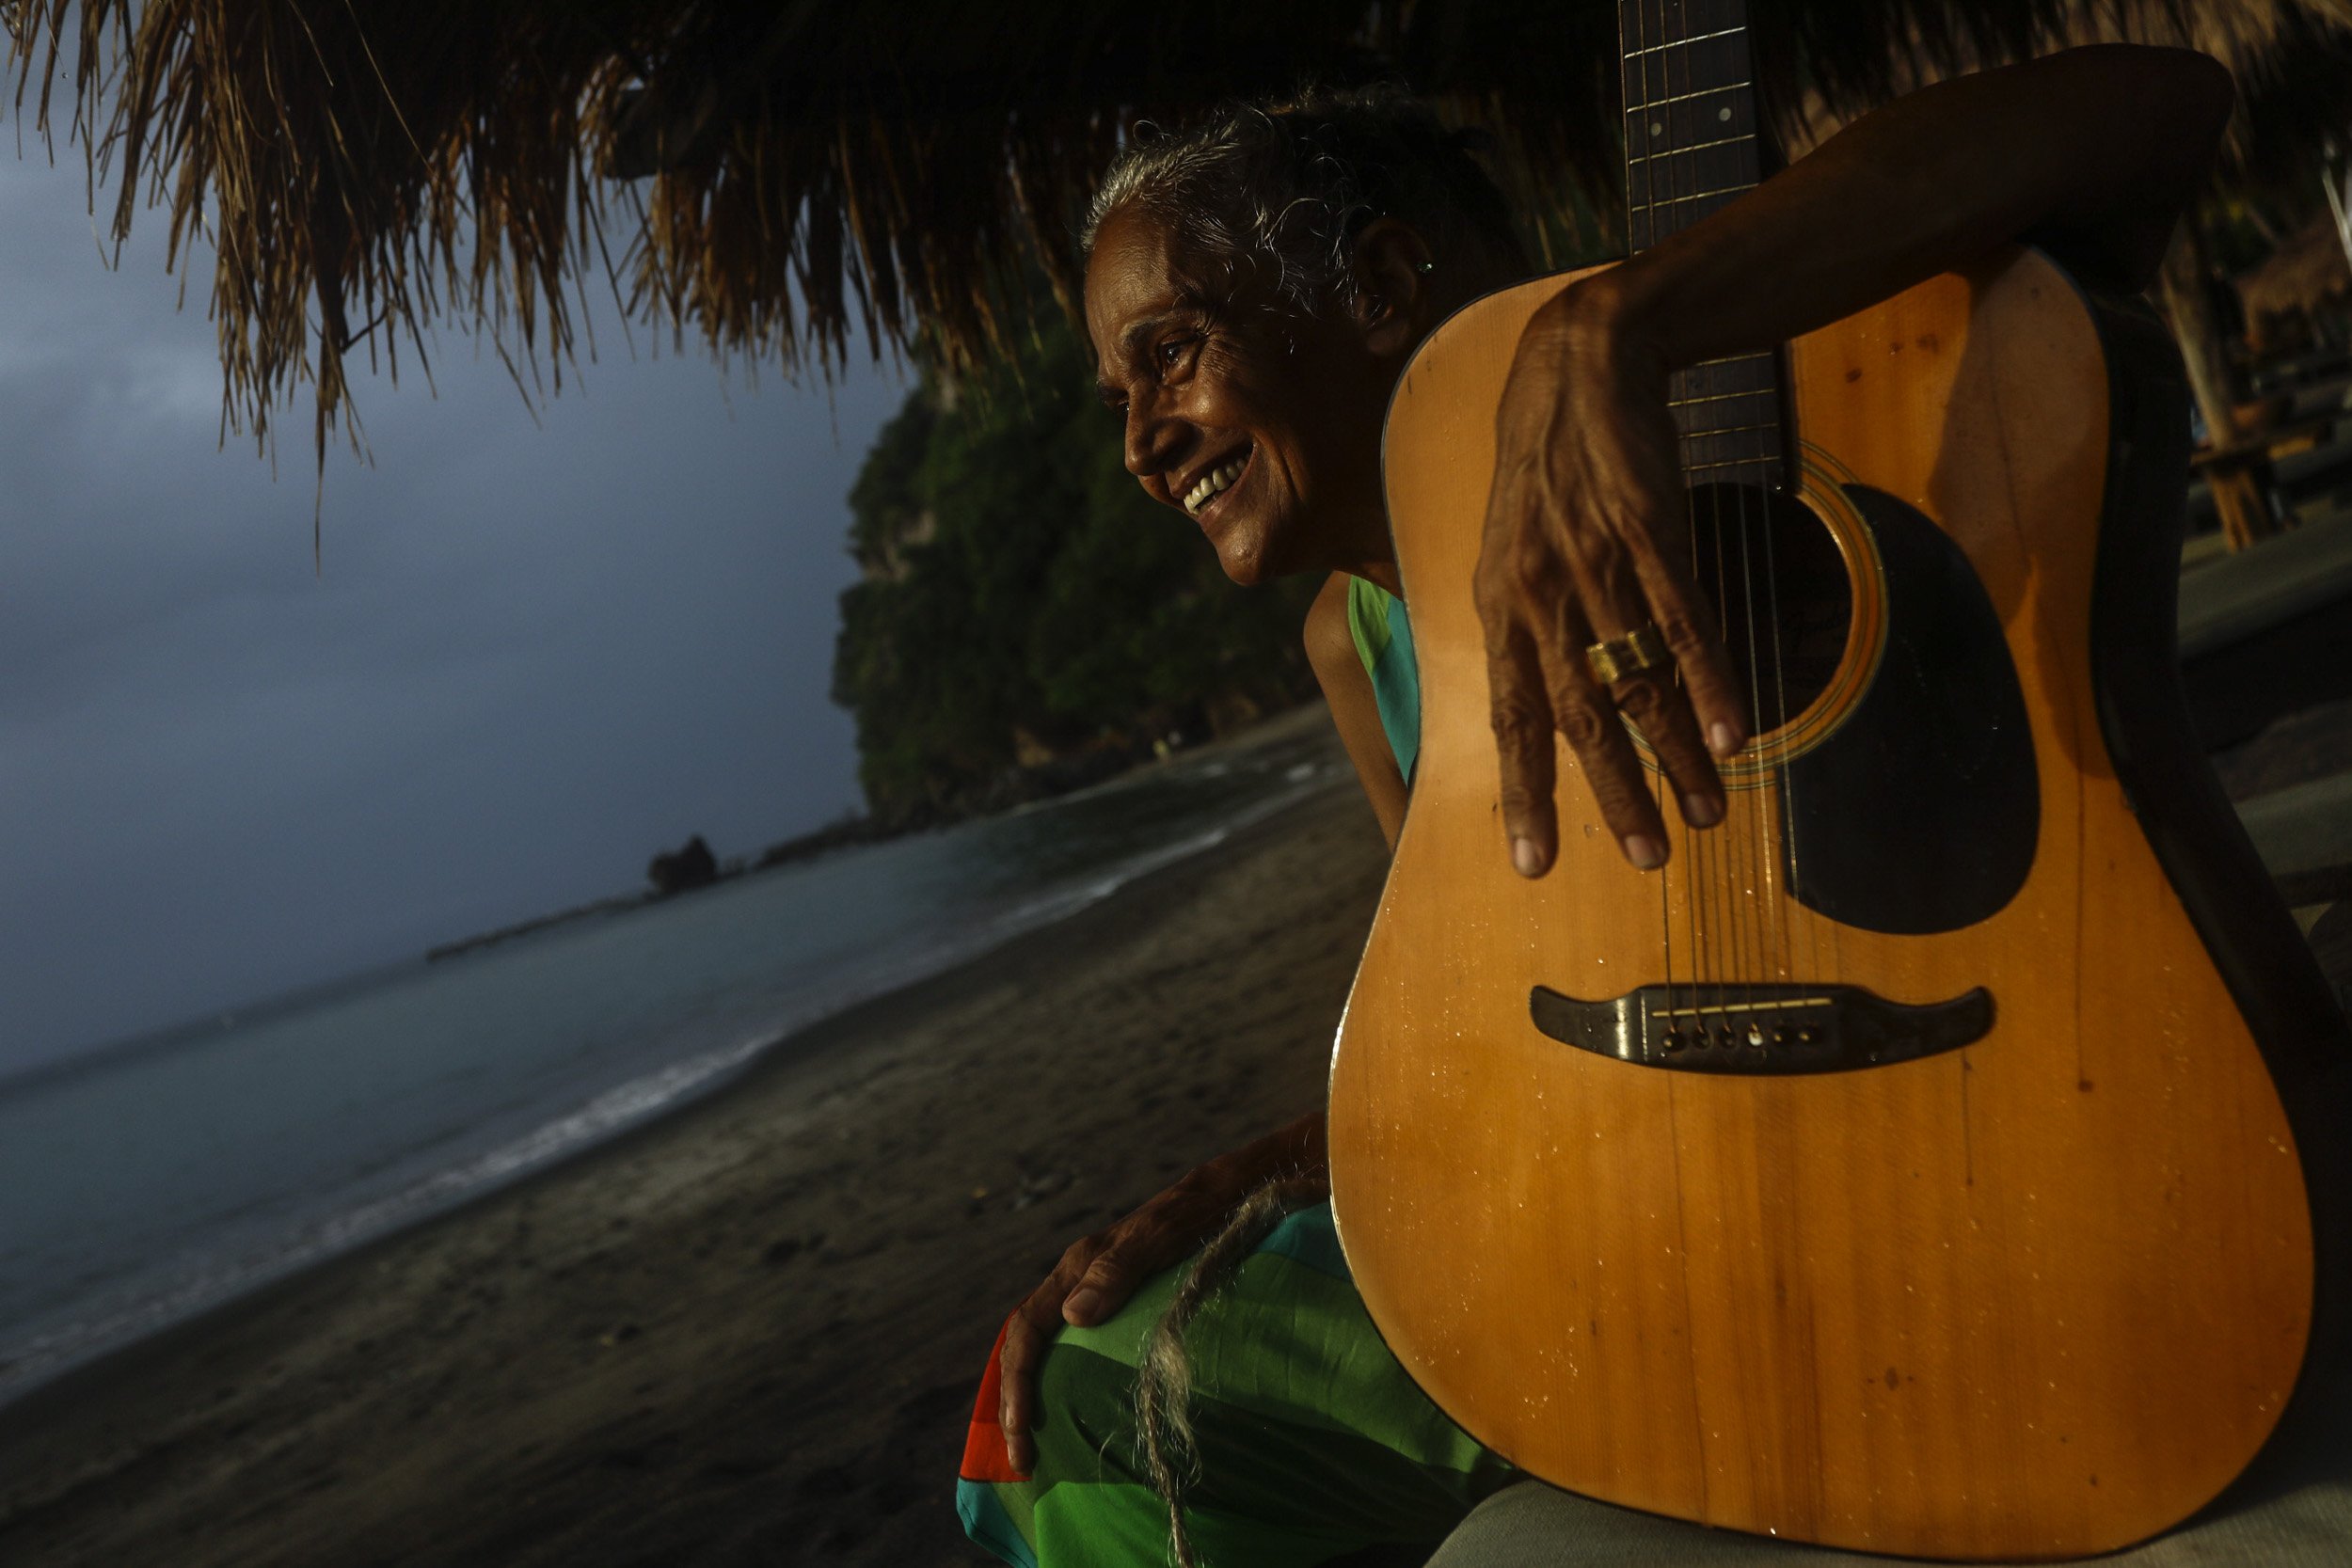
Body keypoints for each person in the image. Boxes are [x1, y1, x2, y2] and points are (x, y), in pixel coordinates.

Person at [959, 42, 2235, 1568]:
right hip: (1638, 1225)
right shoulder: (1357, 649)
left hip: (2007, 1166)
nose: (1138, 441)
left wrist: (1621, 323)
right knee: (1059, 1400)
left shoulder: (1769, 383)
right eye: (1119, 389)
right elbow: (1505, 1034)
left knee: (1104, 1408)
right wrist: (1243, 1181)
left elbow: (2160, 107)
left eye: (1170, 352)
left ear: (1376, 288)